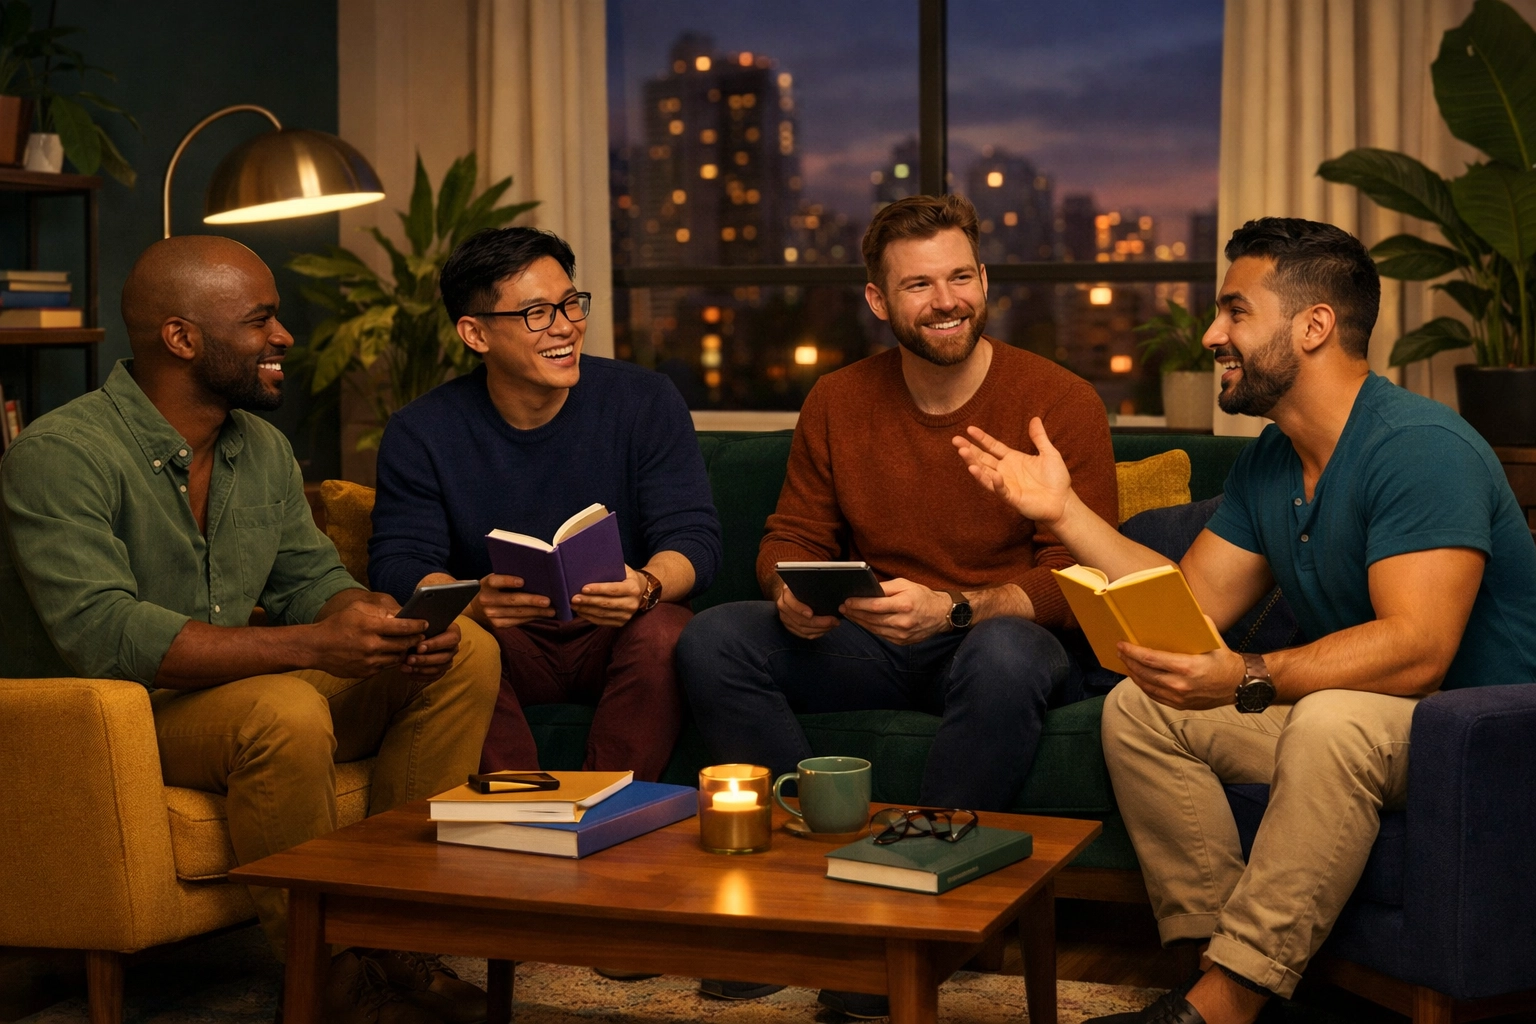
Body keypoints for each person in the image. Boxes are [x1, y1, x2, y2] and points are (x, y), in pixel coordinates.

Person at [954, 217, 1536, 1024]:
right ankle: (1217, 964)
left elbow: (1419, 652)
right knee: (1141, 707)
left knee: (1329, 722)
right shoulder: (1274, 460)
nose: (1210, 333)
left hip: (1481, 735)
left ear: (1314, 326)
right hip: (1379, 720)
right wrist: (1064, 512)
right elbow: (1187, 605)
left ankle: (1226, 1005)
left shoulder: (1420, 448)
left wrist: (1252, 674)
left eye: (1234, 311)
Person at [0, 236, 502, 1024]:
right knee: (283, 711)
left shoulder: (259, 448)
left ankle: (397, 940)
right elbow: (105, 635)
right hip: (112, 718)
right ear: (182, 338)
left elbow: (310, 582)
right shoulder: (59, 455)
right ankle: (327, 983)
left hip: (231, 689)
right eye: (260, 320)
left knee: (464, 650)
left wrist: (366, 618)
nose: (283, 338)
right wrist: (313, 646)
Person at [675, 193, 1117, 1018]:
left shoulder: (1058, 401)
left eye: (960, 277)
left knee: (1008, 653)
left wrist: (956, 609)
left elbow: (1077, 577)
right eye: (919, 285)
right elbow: (789, 536)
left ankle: (904, 919)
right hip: (870, 639)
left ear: (984, 281)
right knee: (715, 639)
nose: (945, 300)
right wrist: (790, 593)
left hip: (994, 643)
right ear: (880, 301)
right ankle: (800, 909)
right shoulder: (839, 400)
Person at [368, 226, 720, 782]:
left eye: (570, 304)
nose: (565, 327)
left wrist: (645, 587)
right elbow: (398, 561)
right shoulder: (422, 430)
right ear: (475, 333)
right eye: (537, 313)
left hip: (616, 630)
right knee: (454, 643)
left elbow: (694, 538)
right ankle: (519, 811)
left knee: (669, 631)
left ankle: (606, 805)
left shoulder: (644, 399)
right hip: (508, 638)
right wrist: (474, 605)